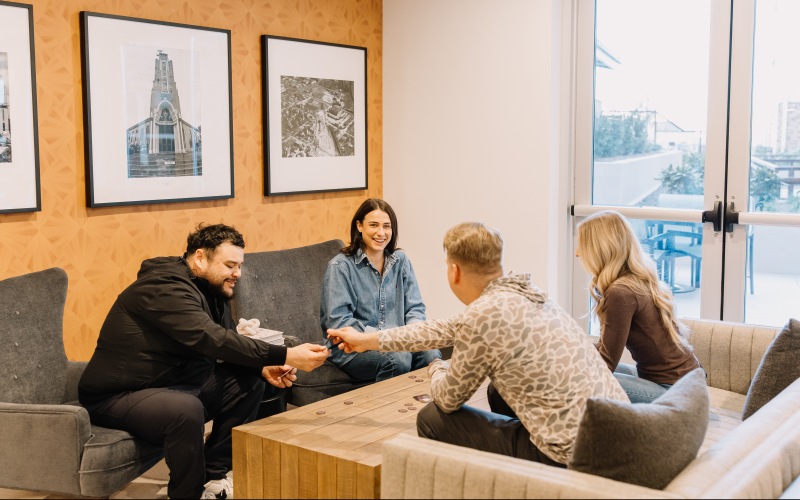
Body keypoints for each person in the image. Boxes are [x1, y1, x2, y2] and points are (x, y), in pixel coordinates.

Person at [327, 222, 628, 467]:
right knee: (497, 392)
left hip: (570, 457)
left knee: (433, 418)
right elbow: (445, 329)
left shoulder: (484, 316)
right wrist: (366, 340)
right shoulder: (526, 293)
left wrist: (435, 367)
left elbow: (447, 399)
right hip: (616, 436)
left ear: (454, 271)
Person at [78, 223, 329, 499]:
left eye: (240, 265)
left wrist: (261, 365)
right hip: (119, 395)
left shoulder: (214, 288)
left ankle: (214, 477)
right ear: (200, 257)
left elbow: (228, 339)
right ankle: (187, 493)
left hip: (174, 382)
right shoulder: (163, 287)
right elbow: (210, 338)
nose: (238, 274)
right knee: (185, 409)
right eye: (230, 265)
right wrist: (286, 354)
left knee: (248, 381)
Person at [575, 210, 702, 403]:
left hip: (678, 394)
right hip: (690, 384)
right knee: (586, 369)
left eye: (582, 245)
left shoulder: (620, 292)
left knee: (580, 381)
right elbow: (603, 350)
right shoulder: (634, 281)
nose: (577, 252)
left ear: (600, 248)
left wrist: (564, 365)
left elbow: (605, 364)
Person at [320, 198, 440, 382]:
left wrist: (411, 336)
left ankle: (423, 406)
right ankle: (392, 409)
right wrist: (383, 339)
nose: (381, 233)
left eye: (387, 226)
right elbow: (339, 321)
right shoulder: (340, 266)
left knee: (431, 353)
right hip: (352, 347)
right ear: (359, 226)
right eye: (374, 225)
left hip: (399, 341)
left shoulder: (401, 260)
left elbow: (415, 308)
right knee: (398, 358)